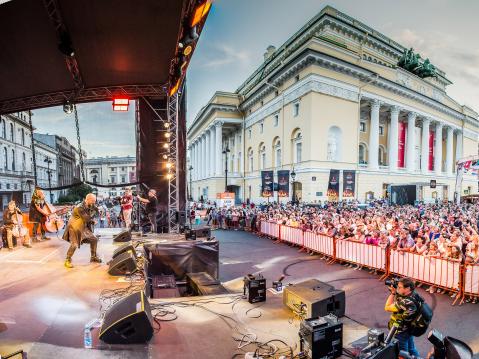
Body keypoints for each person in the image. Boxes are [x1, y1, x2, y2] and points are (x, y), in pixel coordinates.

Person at [63, 193, 102, 268]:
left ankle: (93, 257)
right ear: (88, 199)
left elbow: (94, 210)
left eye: (95, 201)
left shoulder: (90, 205)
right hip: (75, 227)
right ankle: (67, 260)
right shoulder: (79, 207)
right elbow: (86, 218)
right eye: (93, 201)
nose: (94, 202)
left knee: (94, 239)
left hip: (83, 227)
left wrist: (97, 211)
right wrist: (93, 220)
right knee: (75, 243)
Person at [384, 277, 420, 357]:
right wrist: (396, 291)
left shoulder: (405, 302)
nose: (397, 288)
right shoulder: (414, 294)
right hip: (410, 328)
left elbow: (387, 307)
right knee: (412, 349)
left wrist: (392, 293)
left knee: (403, 354)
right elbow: (401, 297)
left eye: (400, 287)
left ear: (407, 288)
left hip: (401, 331)